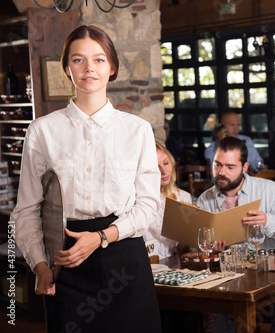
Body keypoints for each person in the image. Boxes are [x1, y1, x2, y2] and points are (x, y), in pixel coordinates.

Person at [10, 25, 162, 332]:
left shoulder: (137, 130)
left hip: (124, 262)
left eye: (99, 60)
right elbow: (26, 209)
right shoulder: (41, 131)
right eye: (78, 60)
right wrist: (40, 265)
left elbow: (148, 206)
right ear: (67, 67)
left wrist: (102, 237)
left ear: (113, 67)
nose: (89, 68)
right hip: (66, 265)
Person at [197, 136, 275, 333]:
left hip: (273, 280)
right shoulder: (205, 199)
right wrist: (212, 250)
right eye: (217, 165)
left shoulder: (270, 190)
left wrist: (268, 221)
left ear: (245, 167)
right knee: (213, 316)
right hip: (229, 284)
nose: (221, 173)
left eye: (230, 167)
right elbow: (200, 248)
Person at [143, 142, 192, 260]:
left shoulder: (183, 197)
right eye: (156, 167)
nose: (164, 171)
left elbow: (182, 249)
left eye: (166, 163)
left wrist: (189, 232)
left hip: (173, 264)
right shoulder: (138, 199)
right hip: (145, 266)